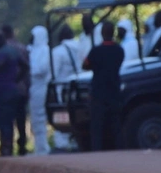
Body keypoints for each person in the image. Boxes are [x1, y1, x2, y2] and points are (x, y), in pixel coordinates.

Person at [82, 20, 125, 151]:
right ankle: (119, 149)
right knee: (116, 124)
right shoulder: (119, 50)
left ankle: (97, 151)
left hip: (98, 92)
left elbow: (85, 65)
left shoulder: (96, 51)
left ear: (101, 33)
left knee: (97, 126)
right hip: (114, 90)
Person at [50, 24, 80, 151]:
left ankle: (62, 143)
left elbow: (54, 73)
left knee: (63, 115)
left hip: (62, 88)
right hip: (79, 86)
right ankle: (76, 141)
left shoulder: (58, 51)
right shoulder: (80, 46)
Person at [1, 24, 30, 156]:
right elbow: (27, 69)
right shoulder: (22, 47)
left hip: (7, 89)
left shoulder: (3, 49)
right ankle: (22, 146)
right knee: (21, 120)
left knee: (7, 120)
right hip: (21, 89)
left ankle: (8, 148)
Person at [27, 25, 52, 155]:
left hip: (41, 86)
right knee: (35, 119)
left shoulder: (45, 50)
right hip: (33, 87)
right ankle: (39, 147)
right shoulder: (33, 50)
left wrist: (29, 67)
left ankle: (43, 149)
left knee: (40, 117)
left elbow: (41, 70)